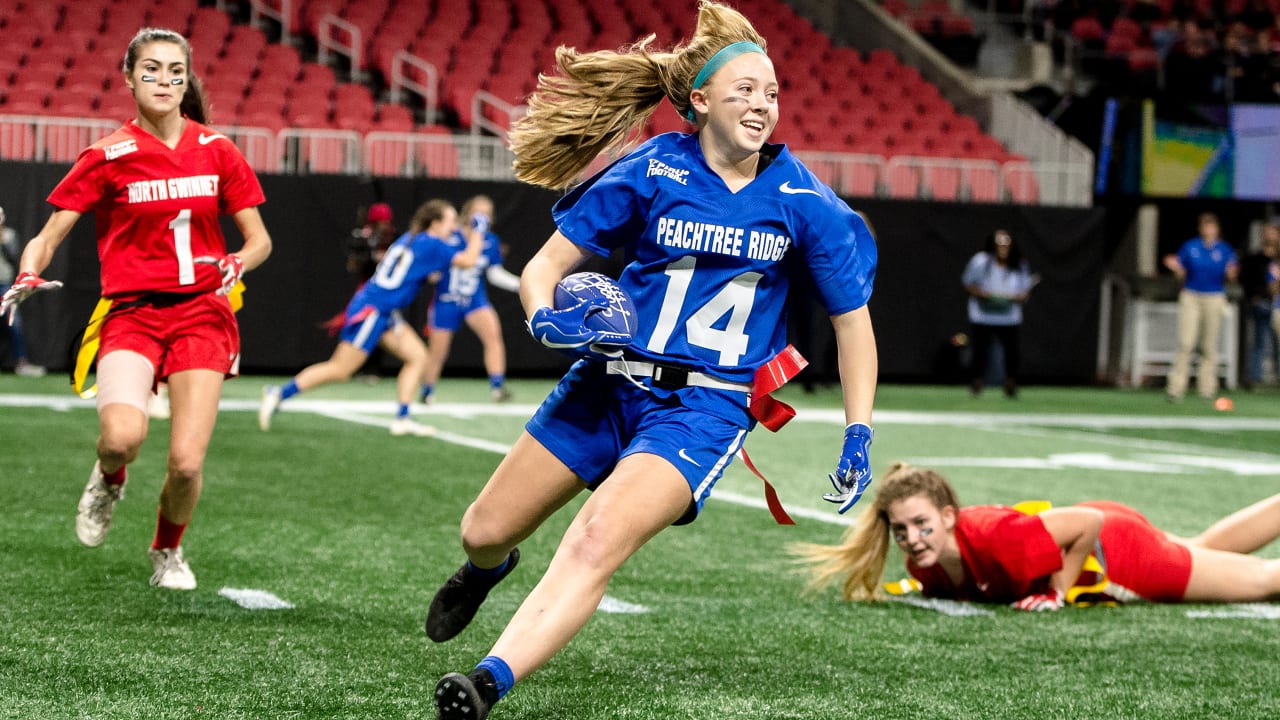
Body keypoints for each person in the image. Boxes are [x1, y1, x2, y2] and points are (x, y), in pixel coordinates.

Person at [425, 3, 879, 718]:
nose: (763, 105)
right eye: (745, 91)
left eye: (772, 92)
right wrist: (545, 318)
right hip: (606, 381)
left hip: (705, 406)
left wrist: (859, 430)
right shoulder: (654, 166)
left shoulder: (803, 200)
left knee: (597, 536)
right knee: (483, 530)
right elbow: (545, 268)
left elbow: (853, 324)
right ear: (699, 101)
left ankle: (487, 681)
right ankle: (489, 570)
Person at [0, 28, 272, 589]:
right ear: (129, 78)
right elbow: (50, 235)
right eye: (151, 69)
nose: (165, 80)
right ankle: (108, 476)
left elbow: (259, 238)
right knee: (122, 436)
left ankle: (166, 550)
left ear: (187, 78)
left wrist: (239, 261)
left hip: (202, 312)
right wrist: (29, 269)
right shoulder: (107, 155)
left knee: (187, 464)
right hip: (131, 312)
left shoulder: (217, 149)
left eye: (176, 70)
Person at [792, 462, 1280, 608]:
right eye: (901, 531)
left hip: (1119, 556)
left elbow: (1086, 525)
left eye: (921, 524)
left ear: (948, 516)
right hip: (1105, 533)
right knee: (1201, 547)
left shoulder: (993, 537)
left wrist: (1056, 593)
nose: (913, 539)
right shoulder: (925, 562)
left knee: (1262, 580)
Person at [257, 199, 480, 436]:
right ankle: (279, 393)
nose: (454, 227)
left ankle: (403, 418)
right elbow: (468, 261)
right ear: (435, 224)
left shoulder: (412, 239)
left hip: (382, 309)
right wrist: (479, 231)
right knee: (341, 369)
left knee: (417, 357)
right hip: (374, 311)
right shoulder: (433, 243)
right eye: (450, 221)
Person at [420, 194, 522, 405]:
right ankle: (427, 390)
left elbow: (494, 273)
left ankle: (497, 387)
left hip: (475, 298)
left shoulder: (490, 240)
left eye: (487, 212)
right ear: (468, 212)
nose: (483, 216)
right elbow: (433, 264)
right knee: (438, 351)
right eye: (479, 211)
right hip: (446, 298)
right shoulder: (450, 234)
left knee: (493, 336)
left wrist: (520, 284)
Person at [1163, 212, 1239, 402]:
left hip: (1214, 296)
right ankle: (1176, 388)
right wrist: (1177, 269)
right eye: (1205, 226)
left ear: (1217, 229)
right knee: (1186, 342)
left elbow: (1232, 276)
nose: (1208, 230)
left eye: (1211, 226)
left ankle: (1207, 389)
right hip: (1192, 295)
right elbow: (1180, 274)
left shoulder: (1224, 250)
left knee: (1209, 345)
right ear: (1200, 228)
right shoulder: (1191, 247)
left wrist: (1232, 272)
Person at [961, 229, 1035, 398]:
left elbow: (1025, 292)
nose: (1003, 247)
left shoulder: (1019, 264)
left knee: (1012, 352)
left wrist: (1019, 297)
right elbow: (967, 284)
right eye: (999, 243)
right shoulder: (981, 261)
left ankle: (1010, 383)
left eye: (1006, 243)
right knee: (980, 351)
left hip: (1008, 317)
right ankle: (977, 382)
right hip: (983, 314)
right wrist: (984, 294)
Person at [0, 206, 47, 377]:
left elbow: (14, 258)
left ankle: (22, 362)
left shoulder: (9, 236)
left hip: (4, 285)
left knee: (15, 325)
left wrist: (2, 240)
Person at [1240, 219, 1279, 389]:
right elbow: (1247, 280)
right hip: (1261, 304)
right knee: (1259, 342)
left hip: (1278, 305)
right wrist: (1254, 296)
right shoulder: (1255, 259)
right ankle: (1254, 378)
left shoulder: (1277, 260)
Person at [347, 202, 397, 282]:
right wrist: (373, 256)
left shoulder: (395, 238)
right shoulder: (362, 238)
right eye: (383, 224)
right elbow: (352, 265)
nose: (387, 228)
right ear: (374, 224)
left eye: (388, 223)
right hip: (368, 283)